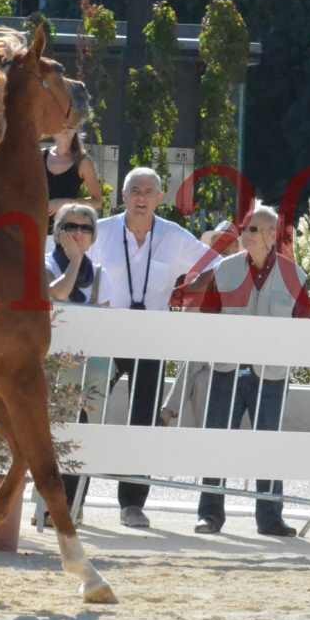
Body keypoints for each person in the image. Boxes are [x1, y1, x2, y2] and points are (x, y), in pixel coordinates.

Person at [164, 203, 307, 537]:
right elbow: (207, 320)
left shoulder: (294, 275)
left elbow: (305, 326)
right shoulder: (224, 270)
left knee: (268, 447)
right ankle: (210, 515)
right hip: (225, 370)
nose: (245, 234)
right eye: (245, 228)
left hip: (271, 374)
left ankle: (270, 518)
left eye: (253, 229)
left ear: (273, 235)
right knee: (217, 443)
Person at [90, 167, 213, 529]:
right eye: (134, 190)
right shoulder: (101, 231)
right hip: (105, 336)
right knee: (86, 411)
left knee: (143, 421)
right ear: (122, 196)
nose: (141, 197)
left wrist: (191, 294)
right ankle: (69, 500)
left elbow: (215, 266)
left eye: (149, 191)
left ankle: (132, 504)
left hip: (151, 339)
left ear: (160, 198)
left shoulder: (174, 236)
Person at [44, 202, 108, 524]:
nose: (79, 234)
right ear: (58, 233)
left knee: (83, 435)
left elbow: (106, 316)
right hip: (53, 365)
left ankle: (75, 506)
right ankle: (47, 505)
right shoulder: (46, 265)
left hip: (91, 365)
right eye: (71, 227)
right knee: (52, 434)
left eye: (86, 228)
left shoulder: (100, 274)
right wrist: (76, 262)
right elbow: (58, 293)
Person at [44, 124, 104, 220]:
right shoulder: (40, 156)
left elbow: (98, 202)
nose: (65, 127)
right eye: (61, 123)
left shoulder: (83, 162)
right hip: (35, 227)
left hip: (66, 229)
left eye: (70, 124)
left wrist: (63, 203)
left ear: (76, 128)